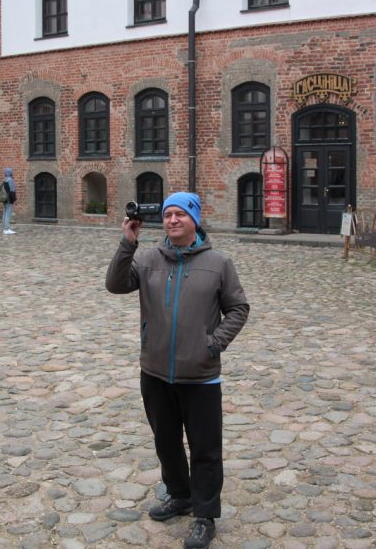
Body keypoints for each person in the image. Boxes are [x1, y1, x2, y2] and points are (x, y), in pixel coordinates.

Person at [104, 192, 249, 549]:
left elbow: (238, 308)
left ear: (194, 220)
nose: (173, 220)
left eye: (180, 214)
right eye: (168, 214)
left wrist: (213, 344)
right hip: (155, 371)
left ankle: (205, 515)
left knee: (205, 448)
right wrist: (128, 242)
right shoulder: (148, 259)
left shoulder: (218, 263)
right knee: (166, 441)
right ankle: (180, 495)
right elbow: (115, 285)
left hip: (200, 374)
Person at [0, 168, 17, 235]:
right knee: (8, 214)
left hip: (4, 199)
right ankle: (7, 229)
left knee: (4, 213)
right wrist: (14, 199)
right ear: (10, 172)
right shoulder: (10, 180)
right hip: (9, 199)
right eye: (11, 172)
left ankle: (4, 229)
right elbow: (12, 191)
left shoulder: (4, 179)